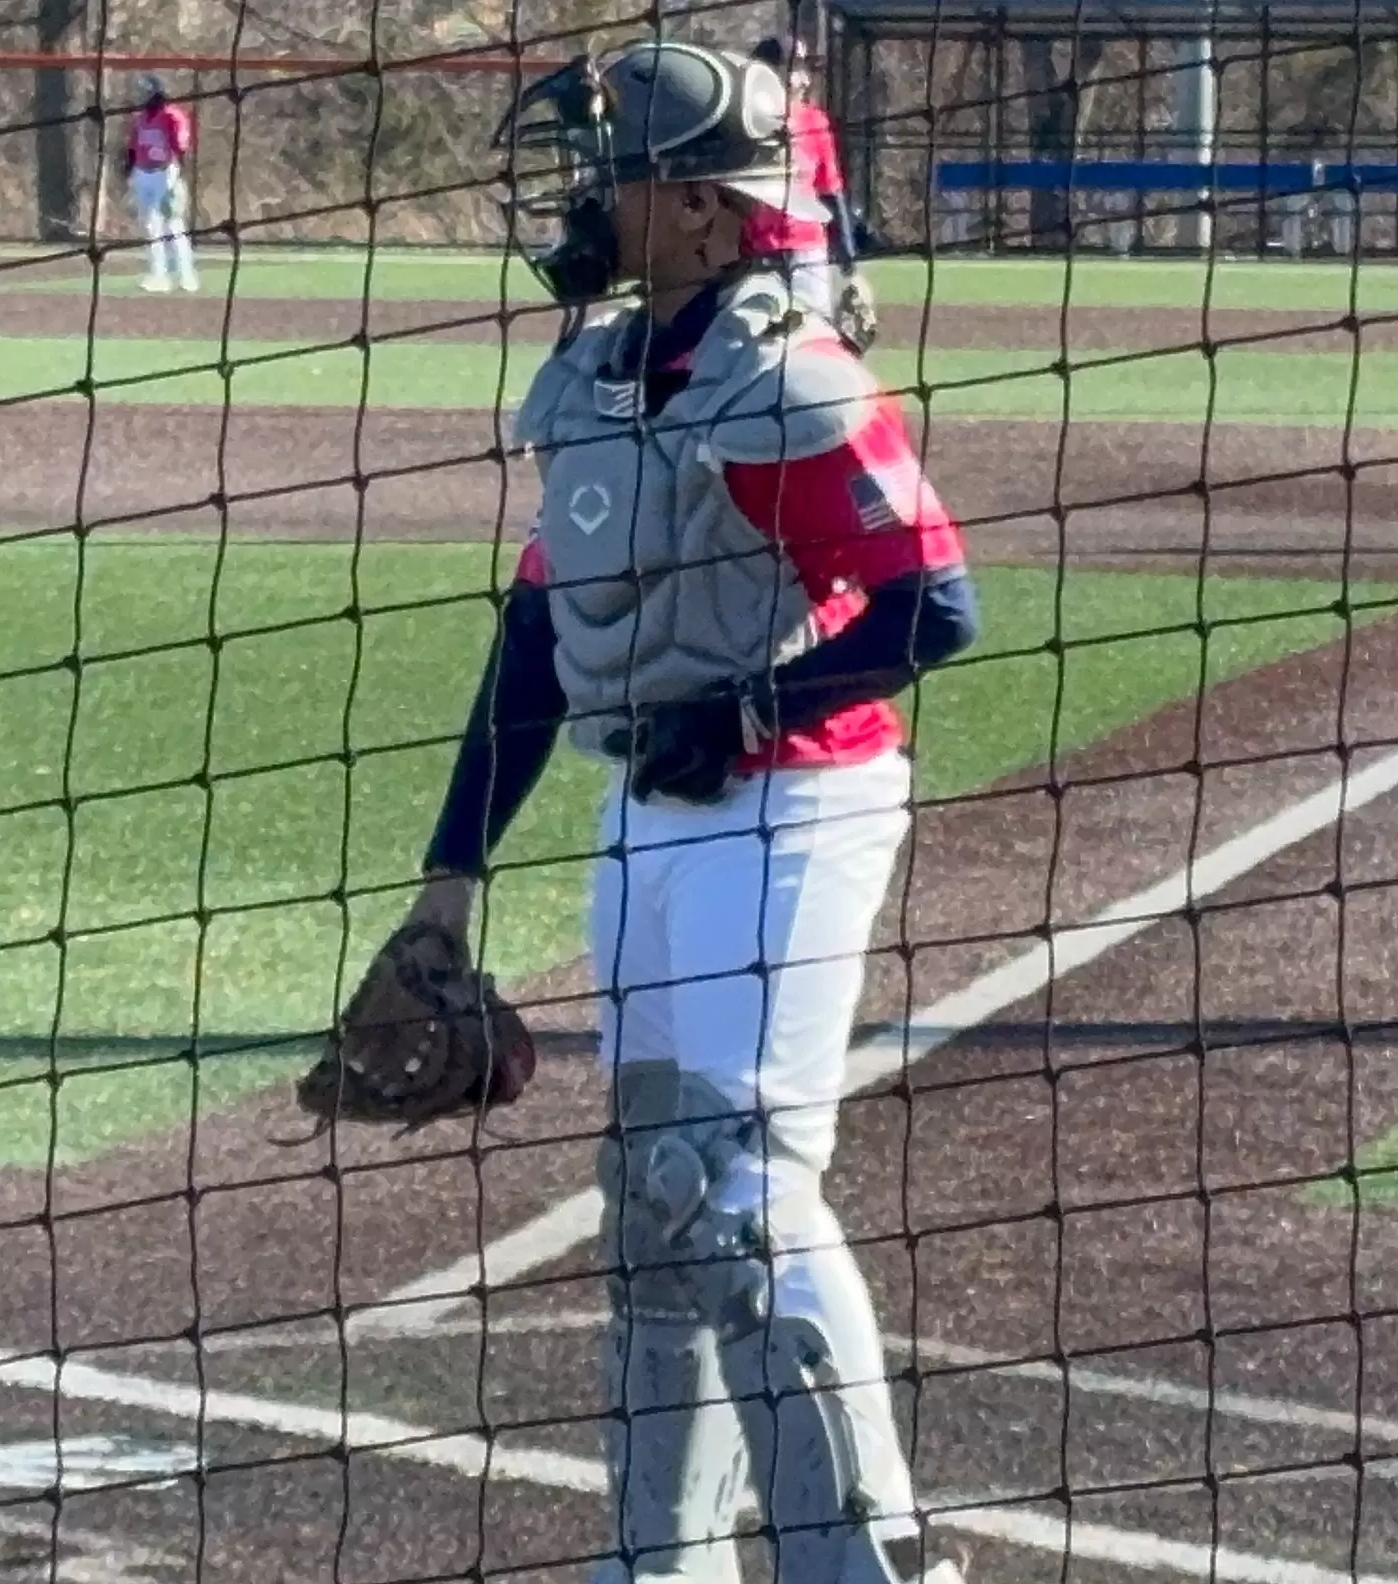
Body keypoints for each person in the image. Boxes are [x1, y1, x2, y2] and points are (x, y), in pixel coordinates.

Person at [418, 36, 981, 1584]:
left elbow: (933, 605)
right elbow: (538, 638)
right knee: (657, 1201)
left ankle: (867, 1563)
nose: (581, 198)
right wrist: (449, 875)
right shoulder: (601, 377)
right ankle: (659, 1559)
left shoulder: (784, 378)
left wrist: (744, 711)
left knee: (740, 1194)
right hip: (646, 819)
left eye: (613, 174)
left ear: (705, 210)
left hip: (795, 811)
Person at [742, 36, 866, 324]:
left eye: (805, 70)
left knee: (812, 326)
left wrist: (847, 253)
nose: (805, 80)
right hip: (755, 252)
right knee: (753, 327)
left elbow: (830, 189)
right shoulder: (745, 121)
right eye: (795, 69)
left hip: (807, 249)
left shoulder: (815, 122)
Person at [120, 75, 199, 292]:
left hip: (165, 173)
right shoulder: (141, 118)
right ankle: (158, 275)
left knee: (172, 224)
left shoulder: (172, 116)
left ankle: (186, 276)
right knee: (151, 226)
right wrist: (129, 169)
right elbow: (133, 146)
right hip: (143, 173)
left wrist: (177, 174)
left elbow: (181, 147)